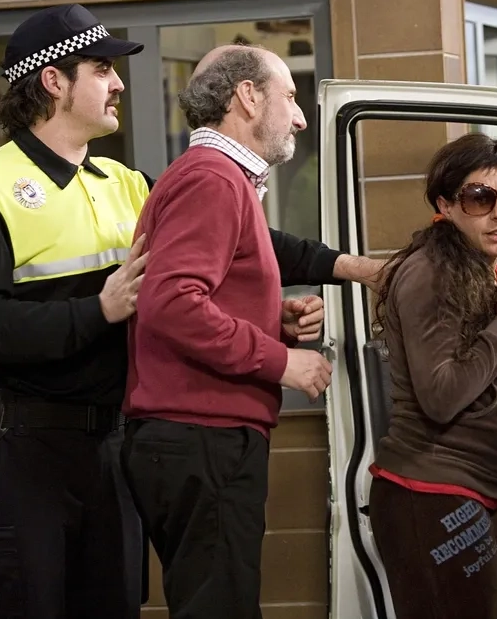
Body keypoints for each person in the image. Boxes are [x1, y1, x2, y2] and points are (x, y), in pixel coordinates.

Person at [0, 4, 150, 619]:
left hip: (111, 450)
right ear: (54, 81)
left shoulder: (126, 182)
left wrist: (333, 270)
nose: (117, 83)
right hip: (23, 454)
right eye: (102, 67)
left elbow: (214, 242)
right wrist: (100, 309)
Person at [120, 44, 335, 619]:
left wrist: (274, 323)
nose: (299, 117)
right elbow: (171, 304)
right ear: (247, 95)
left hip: (200, 437)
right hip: (203, 436)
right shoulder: (213, 178)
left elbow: (191, 296)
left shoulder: (218, 178)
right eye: (289, 96)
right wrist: (280, 359)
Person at [365, 132, 497, 619]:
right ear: (446, 204)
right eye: (481, 197)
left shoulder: (490, 267)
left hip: (470, 492)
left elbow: (475, 376)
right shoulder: (430, 272)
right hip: (431, 494)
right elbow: (439, 395)